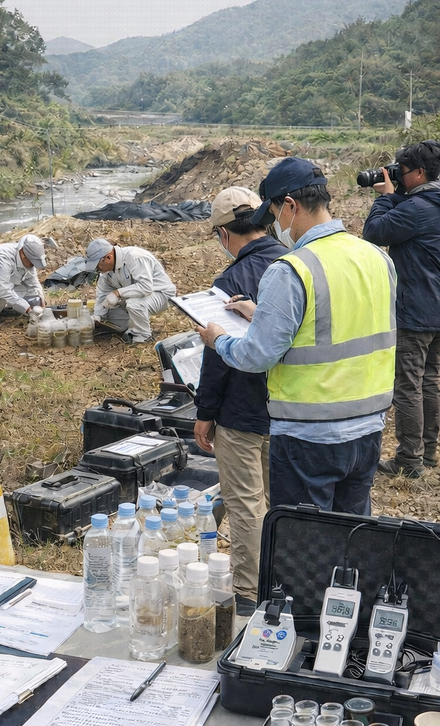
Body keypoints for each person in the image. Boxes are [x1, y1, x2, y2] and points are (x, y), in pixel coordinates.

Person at [199, 157, 396, 516]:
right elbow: (336, 323)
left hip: (310, 437)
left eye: (273, 215)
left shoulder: (292, 269)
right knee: (351, 536)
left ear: (289, 205)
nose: (275, 226)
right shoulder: (375, 257)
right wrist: (260, 313)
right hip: (368, 429)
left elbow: (258, 355)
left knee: (303, 547)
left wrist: (218, 340)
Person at [193, 187, 285, 615]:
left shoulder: (231, 281)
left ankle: (250, 591)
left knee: (246, 502)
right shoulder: (292, 265)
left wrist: (205, 413)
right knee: (279, 500)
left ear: (225, 234)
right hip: (288, 406)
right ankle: (283, 578)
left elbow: (219, 357)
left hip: (242, 408)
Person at [363, 141, 440, 478]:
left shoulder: (416, 210)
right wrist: (397, 194)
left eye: (402, 171)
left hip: (415, 311)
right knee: (430, 382)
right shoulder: (429, 203)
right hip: (436, 310)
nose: (399, 176)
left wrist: (383, 196)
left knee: (408, 385)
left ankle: (410, 460)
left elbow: (373, 232)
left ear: (419, 173)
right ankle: (428, 455)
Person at [83, 237, 176, 344]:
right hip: (139, 297)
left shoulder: (135, 257)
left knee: (133, 304)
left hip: (161, 294)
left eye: (97, 265)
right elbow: (102, 297)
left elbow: (146, 287)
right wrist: (98, 317)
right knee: (111, 312)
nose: (96, 269)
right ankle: (131, 327)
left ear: (108, 257)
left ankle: (143, 337)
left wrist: (118, 293)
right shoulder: (106, 273)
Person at [0, 234, 46, 322]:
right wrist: (29, 310)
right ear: (23, 254)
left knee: (26, 290)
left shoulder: (27, 258)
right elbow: (4, 289)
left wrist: (42, 302)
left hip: (3, 277)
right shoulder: (2, 258)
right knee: (0, 290)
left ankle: (6, 307)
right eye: (32, 262)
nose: (32, 265)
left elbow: (34, 284)